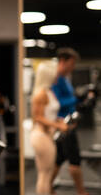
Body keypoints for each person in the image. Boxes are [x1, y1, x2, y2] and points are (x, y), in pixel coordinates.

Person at [50, 47, 89, 195]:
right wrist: (77, 97)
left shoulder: (65, 79)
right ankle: (81, 192)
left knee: (59, 159)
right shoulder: (55, 78)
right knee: (74, 159)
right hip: (62, 125)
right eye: (71, 64)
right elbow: (57, 102)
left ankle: (49, 188)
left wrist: (79, 102)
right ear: (62, 61)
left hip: (69, 123)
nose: (72, 67)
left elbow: (70, 101)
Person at [30, 60, 68, 195]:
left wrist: (58, 120)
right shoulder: (41, 93)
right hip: (41, 136)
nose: (58, 75)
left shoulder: (48, 91)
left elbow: (48, 114)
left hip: (47, 135)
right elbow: (38, 118)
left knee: (48, 173)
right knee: (45, 175)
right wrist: (58, 125)